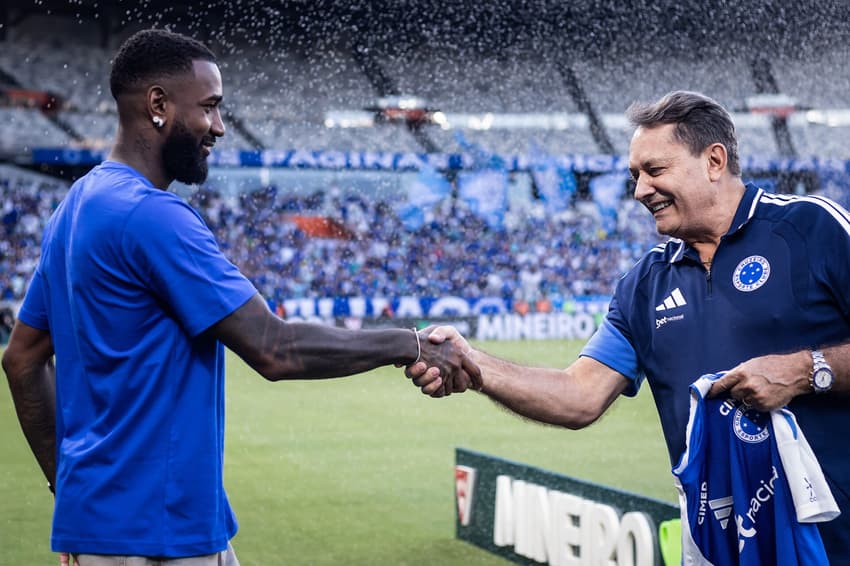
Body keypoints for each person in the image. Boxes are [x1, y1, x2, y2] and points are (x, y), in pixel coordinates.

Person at [1, 29, 479, 566]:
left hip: (112, 529)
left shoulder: (77, 206)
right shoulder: (154, 216)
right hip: (159, 536)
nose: (220, 128)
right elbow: (274, 348)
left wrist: (71, 497)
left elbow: (21, 359)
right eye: (209, 108)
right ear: (158, 104)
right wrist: (411, 345)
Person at [409, 90, 850, 561]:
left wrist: (807, 370)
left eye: (655, 171)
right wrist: (472, 363)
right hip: (720, 547)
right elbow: (578, 395)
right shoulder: (643, 286)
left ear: (714, 161)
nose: (640, 191)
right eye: (635, 176)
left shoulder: (810, 227)